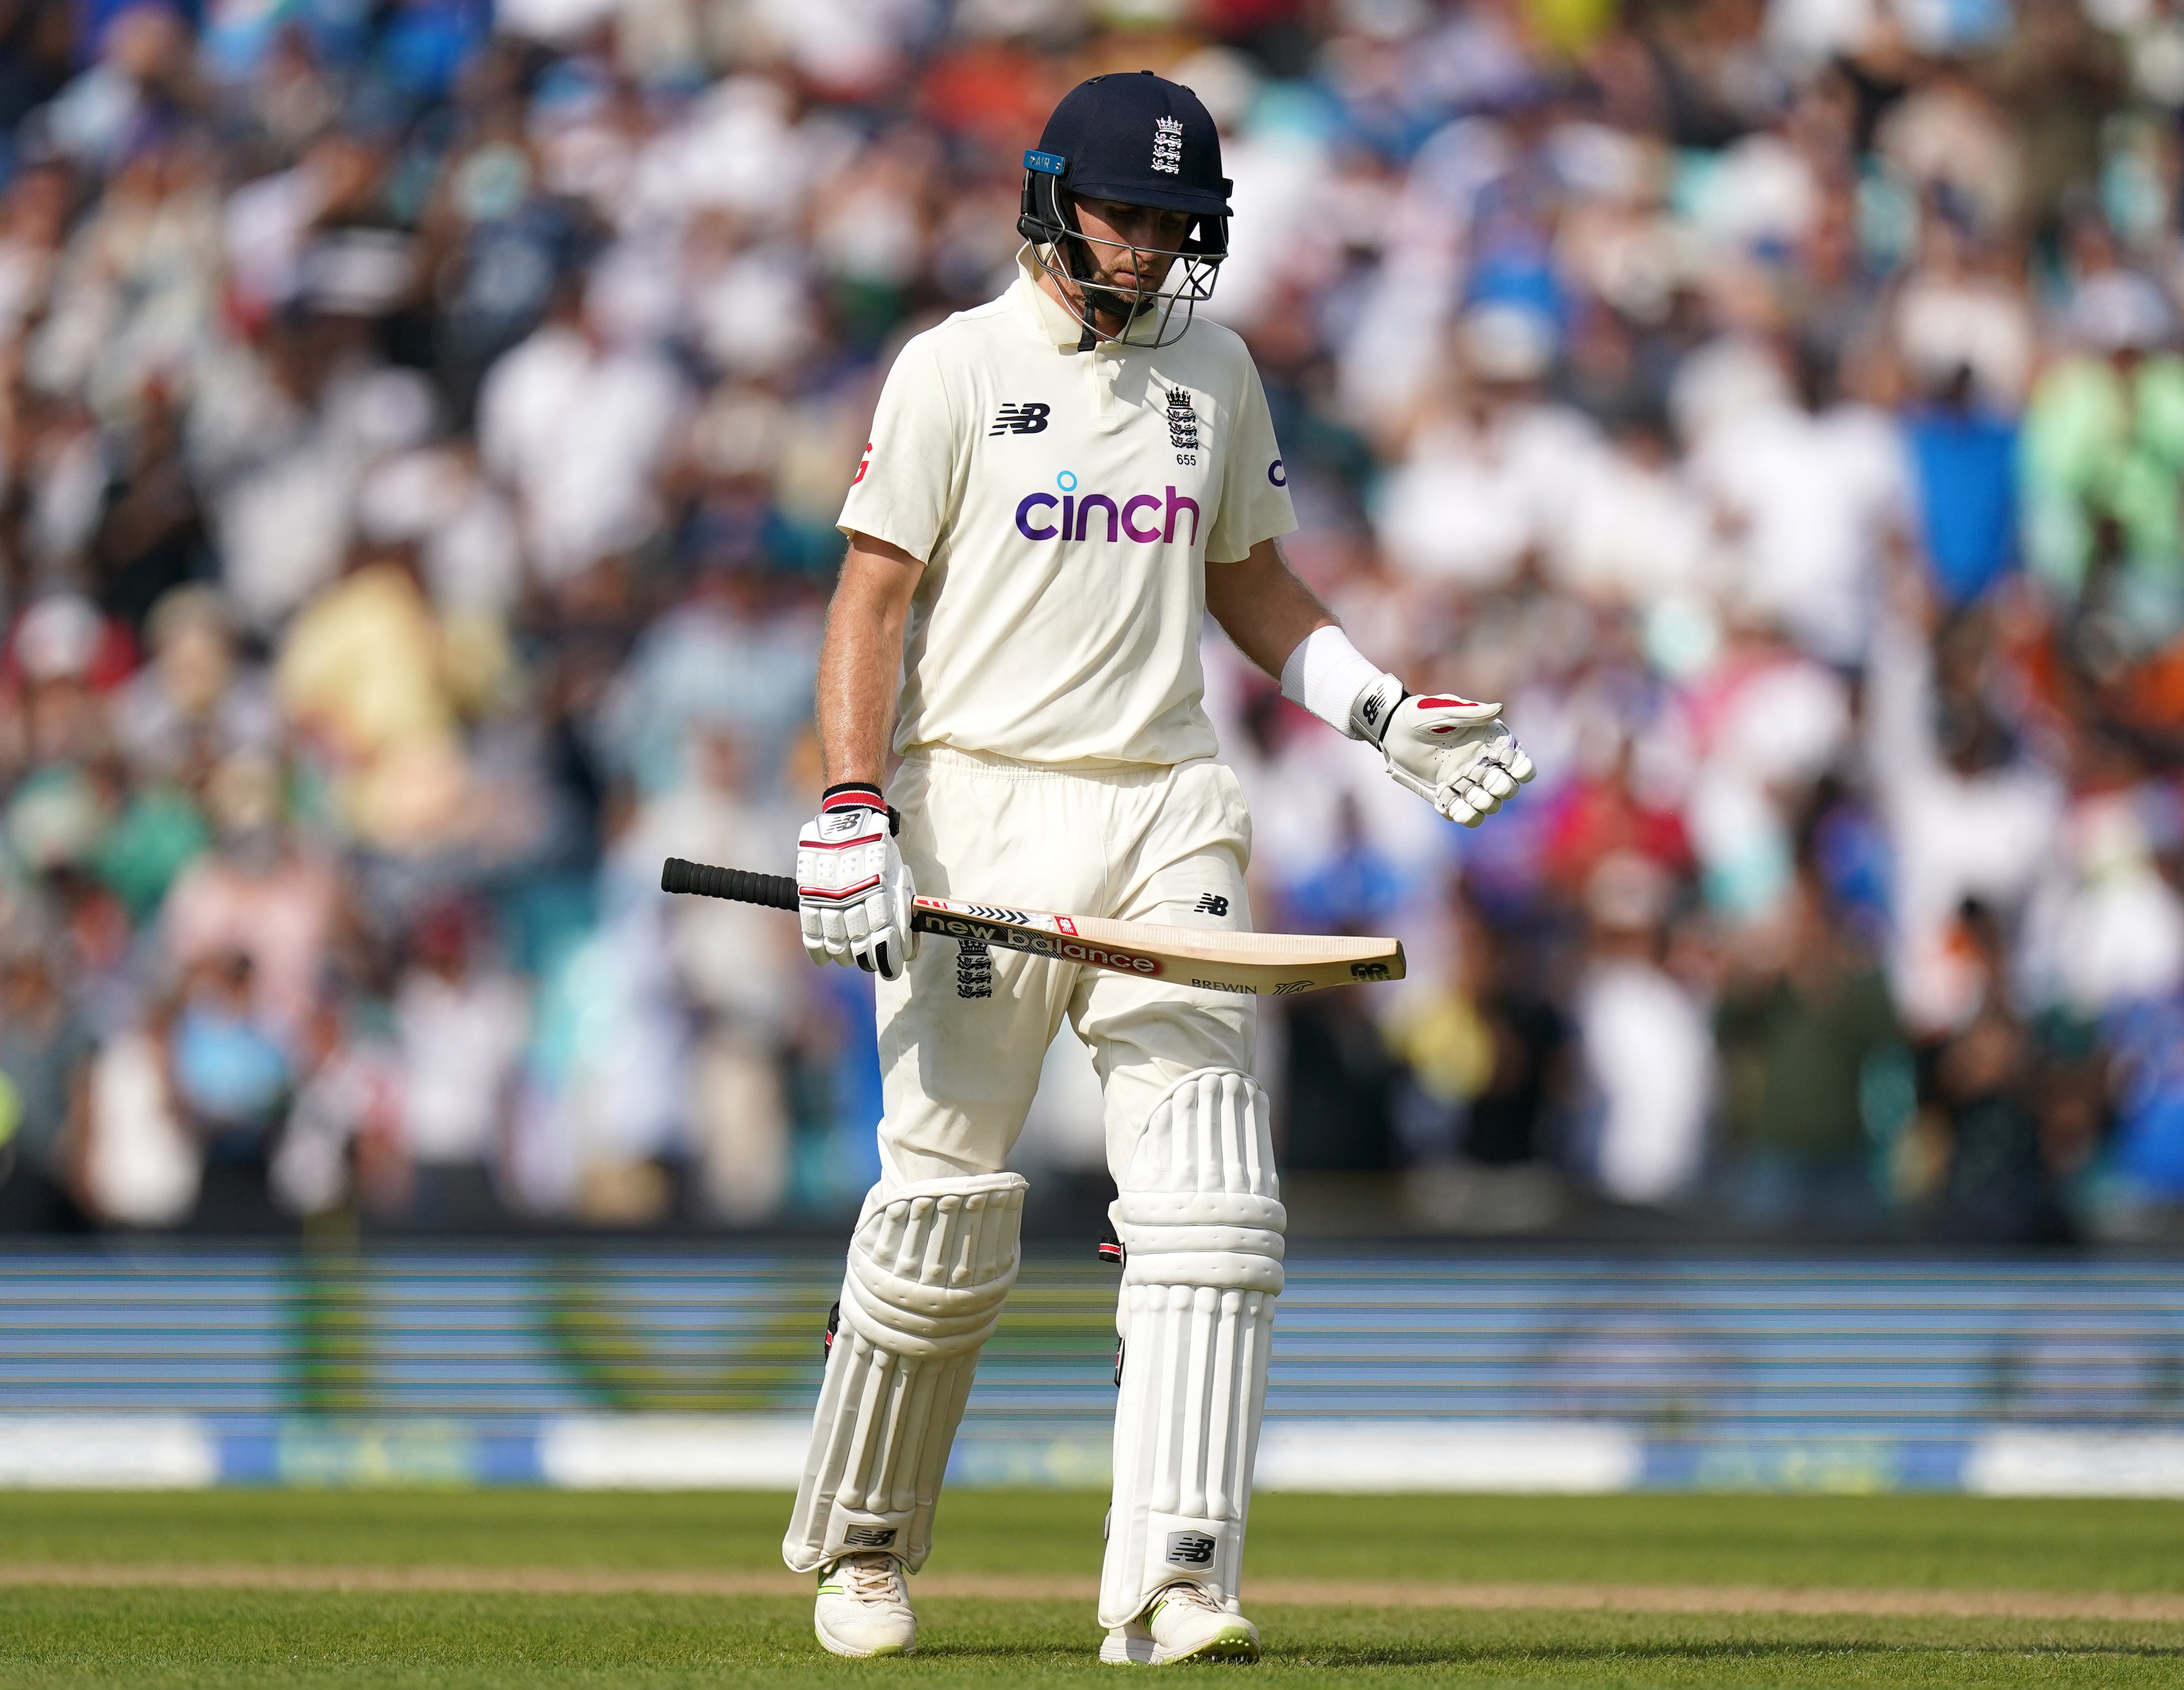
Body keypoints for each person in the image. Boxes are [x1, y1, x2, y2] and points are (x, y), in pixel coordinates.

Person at [781, 72, 1535, 1664]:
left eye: (1183, 228)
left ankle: (1172, 1579)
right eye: (1133, 220)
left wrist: (1376, 708)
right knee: (944, 1218)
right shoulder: (954, 369)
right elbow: (870, 601)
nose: (1155, 254)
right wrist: (855, 802)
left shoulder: (1217, 372)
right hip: (975, 810)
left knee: (1208, 1209)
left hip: (1166, 810)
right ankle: (860, 1544)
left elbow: (1247, 579)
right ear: (1056, 203)